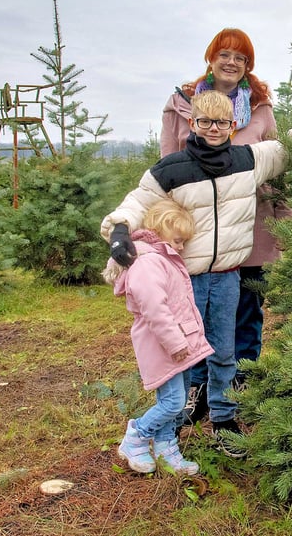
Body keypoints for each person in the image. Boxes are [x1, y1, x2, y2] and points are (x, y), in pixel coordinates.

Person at [102, 89, 292, 459]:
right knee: (185, 352)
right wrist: (120, 230)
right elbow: (137, 201)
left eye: (221, 122)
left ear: (232, 124)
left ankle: (224, 419)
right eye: (204, 121)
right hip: (185, 279)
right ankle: (171, 427)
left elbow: (287, 146)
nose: (213, 128)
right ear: (192, 123)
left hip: (227, 276)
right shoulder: (172, 169)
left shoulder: (247, 160)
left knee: (224, 351)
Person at [161, 28, 292, 422]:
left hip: (251, 225)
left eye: (241, 57)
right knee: (196, 309)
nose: (231, 62)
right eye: (224, 54)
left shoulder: (261, 108)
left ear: (248, 65)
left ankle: (241, 382)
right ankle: (199, 387)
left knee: (247, 309)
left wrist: (285, 222)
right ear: (211, 58)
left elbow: (278, 164)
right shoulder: (181, 105)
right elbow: (167, 166)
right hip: (199, 229)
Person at [103, 198, 213, 475]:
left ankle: (166, 449)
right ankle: (136, 436)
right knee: (173, 402)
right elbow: (155, 309)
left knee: (176, 400)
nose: (181, 247)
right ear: (162, 231)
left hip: (177, 343)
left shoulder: (162, 258)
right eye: (178, 240)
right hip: (164, 344)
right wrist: (176, 343)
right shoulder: (148, 262)